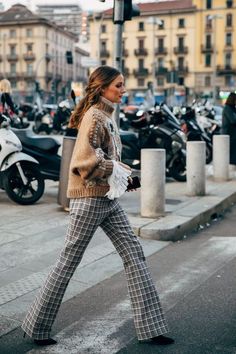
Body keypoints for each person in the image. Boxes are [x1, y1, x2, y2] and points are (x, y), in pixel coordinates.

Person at [21, 65, 174, 347]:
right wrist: (116, 168)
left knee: (134, 254)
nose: (123, 90)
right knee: (68, 262)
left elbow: (105, 163)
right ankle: (37, 327)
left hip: (107, 198)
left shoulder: (105, 116)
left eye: (123, 84)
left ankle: (151, 328)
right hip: (90, 199)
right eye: (118, 85)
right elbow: (85, 162)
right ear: (102, 87)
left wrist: (123, 175)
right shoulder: (94, 117)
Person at [221, 92, 236, 164]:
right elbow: (233, 120)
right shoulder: (228, 108)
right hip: (229, 133)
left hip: (232, 133)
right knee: (232, 149)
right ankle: (232, 163)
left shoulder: (232, 108)